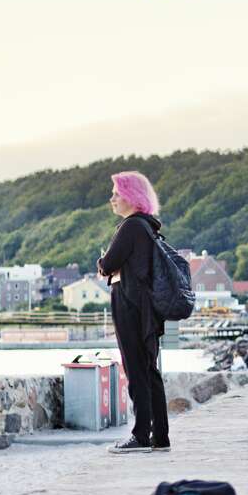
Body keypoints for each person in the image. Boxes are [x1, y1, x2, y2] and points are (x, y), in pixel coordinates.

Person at [97, 171, 171, 455]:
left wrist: (102, 263)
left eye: (117, 193)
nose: (112, 198)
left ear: (131, 196)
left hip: (129, 304)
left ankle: (140, 435)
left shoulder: (130, 227)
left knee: (136, 369)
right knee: (148, 369)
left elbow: (108, 264)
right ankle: (159, 436)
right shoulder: (147, 226)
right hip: (145, 307)